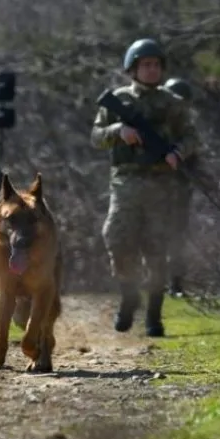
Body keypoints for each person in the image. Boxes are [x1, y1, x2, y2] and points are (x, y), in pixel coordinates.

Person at [90, 38, 198, 338]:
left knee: (156, 250)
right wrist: (118, 131)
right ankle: (128, 294)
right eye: (145, 65)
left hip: (162, 184)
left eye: (155, 65)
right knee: (117, 238)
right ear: (133, 68)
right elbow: (96, 136)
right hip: (126, 182)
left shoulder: (173, 104)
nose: (151, 70)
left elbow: (191, 136)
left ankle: (154, 315)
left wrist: (178, 153)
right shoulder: (119, 100)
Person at [162, 77, 196, 298]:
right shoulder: (158, 126)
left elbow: (194, 156)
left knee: (177, 238)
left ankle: (175, 283)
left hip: (179, 190)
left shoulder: (187, 130)